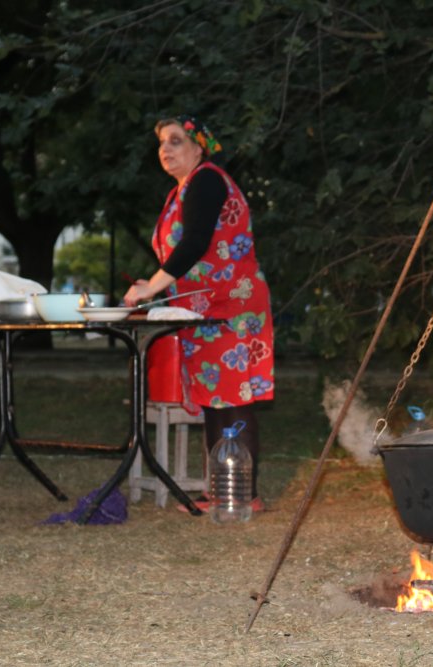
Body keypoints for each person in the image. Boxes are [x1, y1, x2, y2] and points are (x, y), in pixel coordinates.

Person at [124, 114, 274, 513]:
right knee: (214, 398)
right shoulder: (181, 191)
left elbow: (194, 243)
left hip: (233, 304)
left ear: (198, 148)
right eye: (161, 143)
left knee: (235, 397)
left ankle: (244, 496)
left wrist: (151, 288)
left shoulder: (207, 179)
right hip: (204, 309)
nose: (165, 150)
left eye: (175, 141)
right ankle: (221, 492)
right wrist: (158, 288)